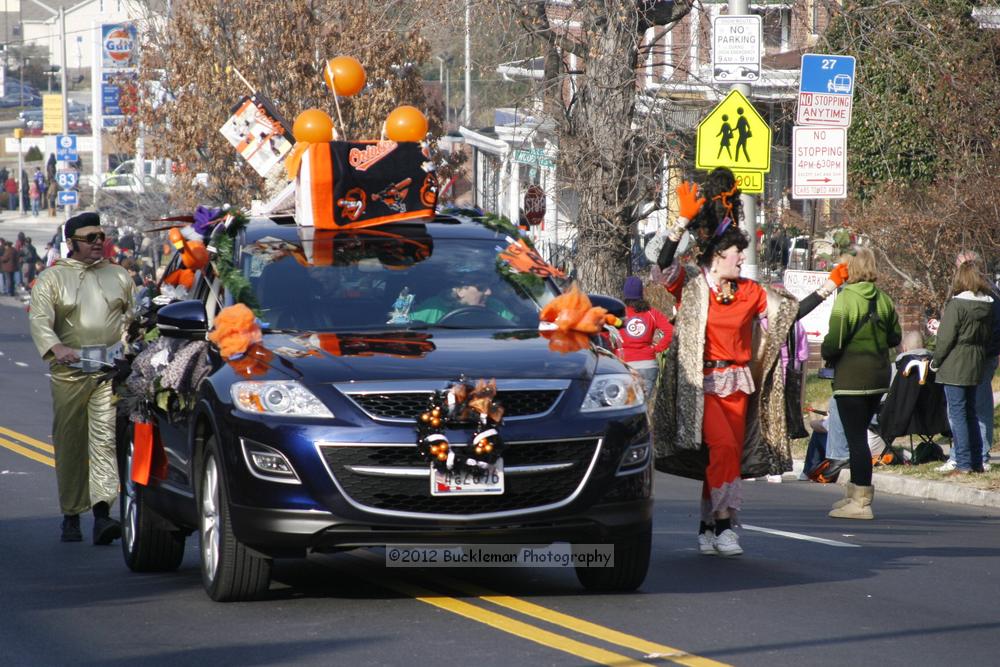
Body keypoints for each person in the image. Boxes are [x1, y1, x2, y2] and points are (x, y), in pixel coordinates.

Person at [652, 167, 843, 557]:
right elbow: (663, 263)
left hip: (738, 384)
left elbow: (788, 313)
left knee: (724, 456)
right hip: (700, 386)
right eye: (737, 253)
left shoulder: (750, 292)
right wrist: (682, 220)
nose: (743, 258)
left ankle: (707, 525)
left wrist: (830, 286)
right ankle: (725, 527)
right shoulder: (691, 285)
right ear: (717, 257)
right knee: (721, 448)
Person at [29, 211, 136, 545]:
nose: (98, 244)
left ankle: (103, 515)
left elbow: (133, 319)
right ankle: (71, 516)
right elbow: (40, 321)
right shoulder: (52, 279)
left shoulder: (118, 276)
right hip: (69, 375)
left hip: (107, 374)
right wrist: (56, 347)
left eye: (101, 237)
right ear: (72, 243)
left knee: (104, 439)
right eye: (90, 239)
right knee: (71, 442)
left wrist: (129, 350)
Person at [821, 247, 902, 519]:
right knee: (859, 435)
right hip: (878, 376)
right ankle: (853, 495)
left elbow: (835, 341)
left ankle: (862, 501)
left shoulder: (846, 298)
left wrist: (826, 353)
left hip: (852, 378)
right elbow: (895, 337)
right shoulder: (885, 299)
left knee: (855, 439)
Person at [937, 252, 1000, 472]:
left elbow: (946, 337)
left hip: (964, 361)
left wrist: (937, 360)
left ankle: (967, 459)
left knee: (963, 411)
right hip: (979, 357)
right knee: (972, 411)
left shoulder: (963, 302)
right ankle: (973, 458)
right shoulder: (988, 300)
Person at [618, 275, 672, 397]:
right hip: (648, 364)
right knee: (644, 407)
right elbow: (671, 331)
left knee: (626, 407)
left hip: (624, 366)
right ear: (641, 293)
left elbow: (605, 333)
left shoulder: (619, 314)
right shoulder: (652, 313)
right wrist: (657, 348)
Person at [410, 278, 514, 325]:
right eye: (481, 287)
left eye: (489, 287)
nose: (489, 292)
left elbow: (515, 328)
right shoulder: (433, 307)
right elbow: (406, 328)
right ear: (460, 291)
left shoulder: (496, 306)